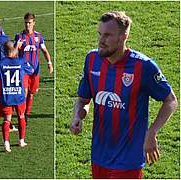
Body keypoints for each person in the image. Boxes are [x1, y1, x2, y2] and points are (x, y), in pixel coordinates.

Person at [70, 11, 178, 179]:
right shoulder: (91, 60)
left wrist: (152, 132)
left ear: (123, 37)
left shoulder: (143, 66)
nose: (101, 41)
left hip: (128, 160)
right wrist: (77, 115)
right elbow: (83, 100)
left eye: (107, 35)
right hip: (99, 156)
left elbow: (170, 101)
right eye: (99, 34)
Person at [0, 41, 33, 152]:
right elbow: (31, 70)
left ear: (3, 51)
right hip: (19, 95)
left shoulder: (0, 63)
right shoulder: (21, 61)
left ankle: (6, 143)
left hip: (6, 95)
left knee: (7, 120)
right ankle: (21, 140)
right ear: (14, 50)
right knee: (21, 116)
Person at [15, 12, 53, 124]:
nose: (27, 25)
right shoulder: (19, 36)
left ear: (34, 23)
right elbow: (13, 53)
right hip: (23, 70)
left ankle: (27, 113)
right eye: (26, 23)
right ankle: (22, 115)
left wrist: (49, 63)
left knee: (31, 93)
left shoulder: (38, 36)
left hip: (35, 70)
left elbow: (44, 51)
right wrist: (17, 47)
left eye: (29, 23)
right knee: (25, 92)